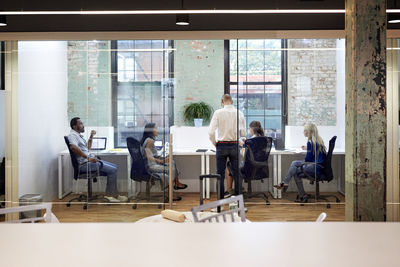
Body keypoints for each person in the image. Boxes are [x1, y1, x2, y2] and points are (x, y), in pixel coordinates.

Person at [67, 117, 128, 203]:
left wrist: (91, 136)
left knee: (114, 167)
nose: (83, 125)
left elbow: (87, 148)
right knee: (113, 170)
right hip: (84, 165)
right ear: (74, 126)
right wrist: (88, 158)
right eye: (80, 123)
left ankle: (113, 194)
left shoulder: (78, 136)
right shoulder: (72, 135)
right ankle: (110, 195)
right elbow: (73, 147)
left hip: (88, 162)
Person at [274, 122, 327, 203]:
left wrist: (306, 155)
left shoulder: (310, 142)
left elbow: (308, 160)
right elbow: (314, 151)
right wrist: (307, 148)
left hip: (315, 167)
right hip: (320, 167)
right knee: (295, 170)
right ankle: (300, 193)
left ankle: (286, 183)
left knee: (294, 164)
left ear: (310, 132)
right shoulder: (318, 141)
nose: (304, 132)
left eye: (305, 131)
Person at [208, 94, 246, 199]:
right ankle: (238, 202)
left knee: (220, 174)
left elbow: (211, 132)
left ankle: (220, 201)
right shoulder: (239, 113)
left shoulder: (218, 113)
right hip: (234, 145)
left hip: (221, 145)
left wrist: (215, 143)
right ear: (232, 102)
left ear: (222, 101)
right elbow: (243, 133)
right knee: (237, 174)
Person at [141, 123, 187, 201]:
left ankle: (176, 183)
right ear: (151, 130)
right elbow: (148, 156)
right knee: (171, 168)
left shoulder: (147, 139)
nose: (157, 130)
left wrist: (162, 158)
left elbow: (151, 155)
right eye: (156, 128)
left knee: (171, 162)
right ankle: (171, 194)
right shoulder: (150, 141)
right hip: (151, 166)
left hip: (150, 164)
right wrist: (161, 161)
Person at [224, 120, 265, 198]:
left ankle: (230, 190)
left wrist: (242, 146)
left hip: (249, 166)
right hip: (258, 167)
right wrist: (246, 143)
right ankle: (238, 189)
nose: (249, 130)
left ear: (252, 129)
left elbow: (244, 155)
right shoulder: (262, 138)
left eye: (249, 128)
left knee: (229, 165)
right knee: (234, 165)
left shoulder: (252, 140)